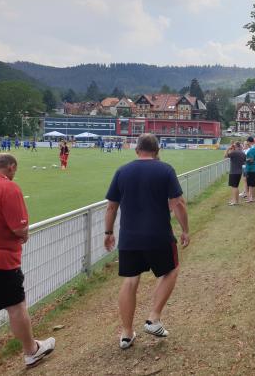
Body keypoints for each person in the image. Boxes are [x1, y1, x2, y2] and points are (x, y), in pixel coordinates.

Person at [104, 134, 189, 350]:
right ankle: (153, 318)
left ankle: (126, 333)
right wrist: (186, 230)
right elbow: (178, 204)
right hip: (158, 234)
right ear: (157, 150)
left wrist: (108, 232)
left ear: (136, 150)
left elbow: (111, 206)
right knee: (171, 271)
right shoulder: (166, 170)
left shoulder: (122, 171)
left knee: (131, 280)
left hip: (129, 237)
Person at [0, 154, 56, 367]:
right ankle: (31, 351)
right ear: (11, 167)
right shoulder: (8, 188)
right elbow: (19, 228)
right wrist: (24, 235)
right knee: (16, 306)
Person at [244, 136, 255, 203]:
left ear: (248, 142)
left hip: (251, 169)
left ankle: (250, 198)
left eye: (247, 142)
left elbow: (251, 160)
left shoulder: (252, 149)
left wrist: (245, 160)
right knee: (253, 184)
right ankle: (252, 197)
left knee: (250, 184)